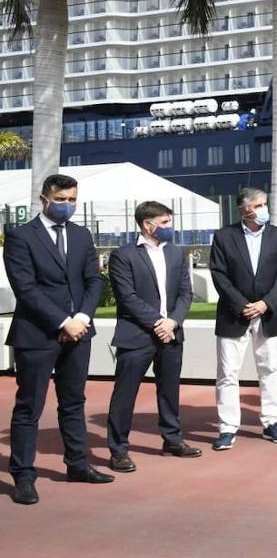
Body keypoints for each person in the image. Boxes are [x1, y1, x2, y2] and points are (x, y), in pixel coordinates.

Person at [5, 174, 112, 505]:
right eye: (61, 199)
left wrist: (81, 317)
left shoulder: (81, 235)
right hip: (38, 334)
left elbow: (93, 280)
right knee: (30, 406)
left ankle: (78, 465)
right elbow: (26, 289)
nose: (67, 205)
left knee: (74, 401)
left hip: (79, 333)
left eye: (72, 200)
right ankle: (23, 475)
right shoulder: (21, 237)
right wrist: (63, 321)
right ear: (44, 199)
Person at [105, 201, 201, 474]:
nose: (171, 228)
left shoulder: (176, 254)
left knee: (169, 390)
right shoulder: (123, 255)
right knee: (125, 394)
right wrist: (158, 322)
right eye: (166, 223)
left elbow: (185, 293)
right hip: (136, 335)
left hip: (171, 334)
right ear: (148, 225)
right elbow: (127, 297)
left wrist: (172, 321)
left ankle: (172, 439)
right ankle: (118, 449)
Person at [209, 187, 277, 450]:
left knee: (268, 369)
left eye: (264, 204)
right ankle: (227, 427)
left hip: (268, 314)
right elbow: (219, 274)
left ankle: (271, 422)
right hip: (234, 314)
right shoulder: (224, 237)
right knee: (227, 373)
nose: (263, 210)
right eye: (257, 206)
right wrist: (243, 304)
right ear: (243, 209)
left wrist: (266, 303)